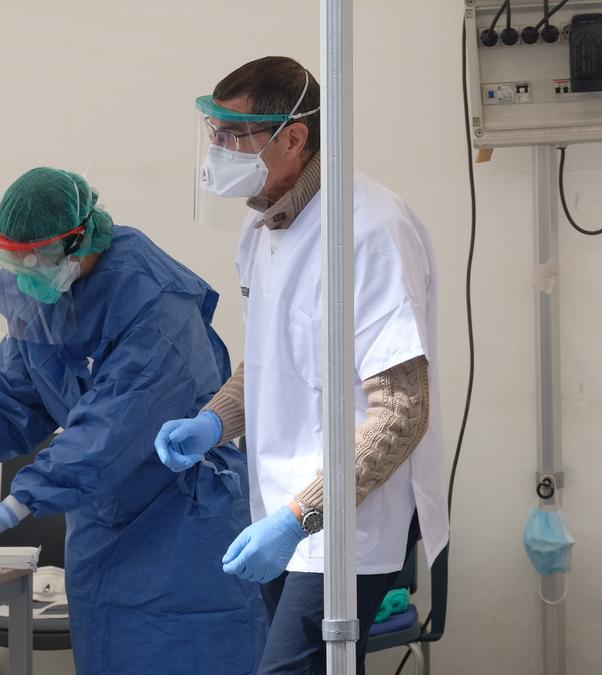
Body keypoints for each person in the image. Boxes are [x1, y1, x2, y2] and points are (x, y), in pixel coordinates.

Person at [0, 167, 267, 674]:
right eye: (14, 257)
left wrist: (15, 505)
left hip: (182, 520)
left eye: (38, 257)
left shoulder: (154, 303)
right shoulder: (38, 291)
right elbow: (17, 392)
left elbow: (113, 426)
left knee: (188, 654)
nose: (26, 270)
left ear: (80, 241)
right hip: (102, 520)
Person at [155, 56, 449, 674]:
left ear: (295, 137)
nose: (220, 150)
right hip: (281, 506)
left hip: (345, 523)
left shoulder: (368, 229)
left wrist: (302, 516)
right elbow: (268, 362)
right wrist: (214, 421)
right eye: (216, 133)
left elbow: (402, 411)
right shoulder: (261, 228)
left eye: (237, 135)